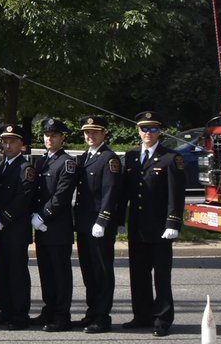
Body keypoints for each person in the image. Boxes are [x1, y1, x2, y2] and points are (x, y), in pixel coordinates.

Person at [119, 111, 185, 338]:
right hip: (137, 227)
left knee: (161, 276)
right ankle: (142, 316)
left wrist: (173, 223)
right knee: (138, 274)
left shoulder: (171, 158)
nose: (148, 133)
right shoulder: (131, 157)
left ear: (160, 131)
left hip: (160, 229)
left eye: (153, 129)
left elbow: (176, 195)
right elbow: (125, 193)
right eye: (144, 129)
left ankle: (163, 319)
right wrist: (120, 221)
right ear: (138, 131)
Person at [75, 115, 123, 334]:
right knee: (88, 270)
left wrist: (102, 220)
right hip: (84, 224)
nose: (90, 136)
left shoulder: (109, 158)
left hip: (99, 225)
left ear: (104, 134)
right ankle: (92, 311)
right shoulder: (85, 157)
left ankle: (102, 316)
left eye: (94, 132)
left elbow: (111, 193)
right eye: (87, 132)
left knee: (102, 271)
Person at [32, 117, 77, 333]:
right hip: (41, 229)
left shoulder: (67, 162)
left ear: (62, 138)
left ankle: (62, 315)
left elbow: (61, 195)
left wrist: (42, 216)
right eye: (47, 135)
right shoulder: (41, 162)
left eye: (54, 135)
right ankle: (49, 309)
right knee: (46, 272)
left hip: (57, 227)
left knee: (60, 274)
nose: (49, 139)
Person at [0, 123, 37, 330]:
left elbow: (23, 198)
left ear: (23, 146)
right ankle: (5, 309)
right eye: (5, 141)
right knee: (2, 270)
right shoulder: (2, 166)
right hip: (1, 228)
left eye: (12, 141)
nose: (7, 145)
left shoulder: (25, 169)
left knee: (17, 273)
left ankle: (19, 313)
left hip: (15, 228)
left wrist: (3, 218)